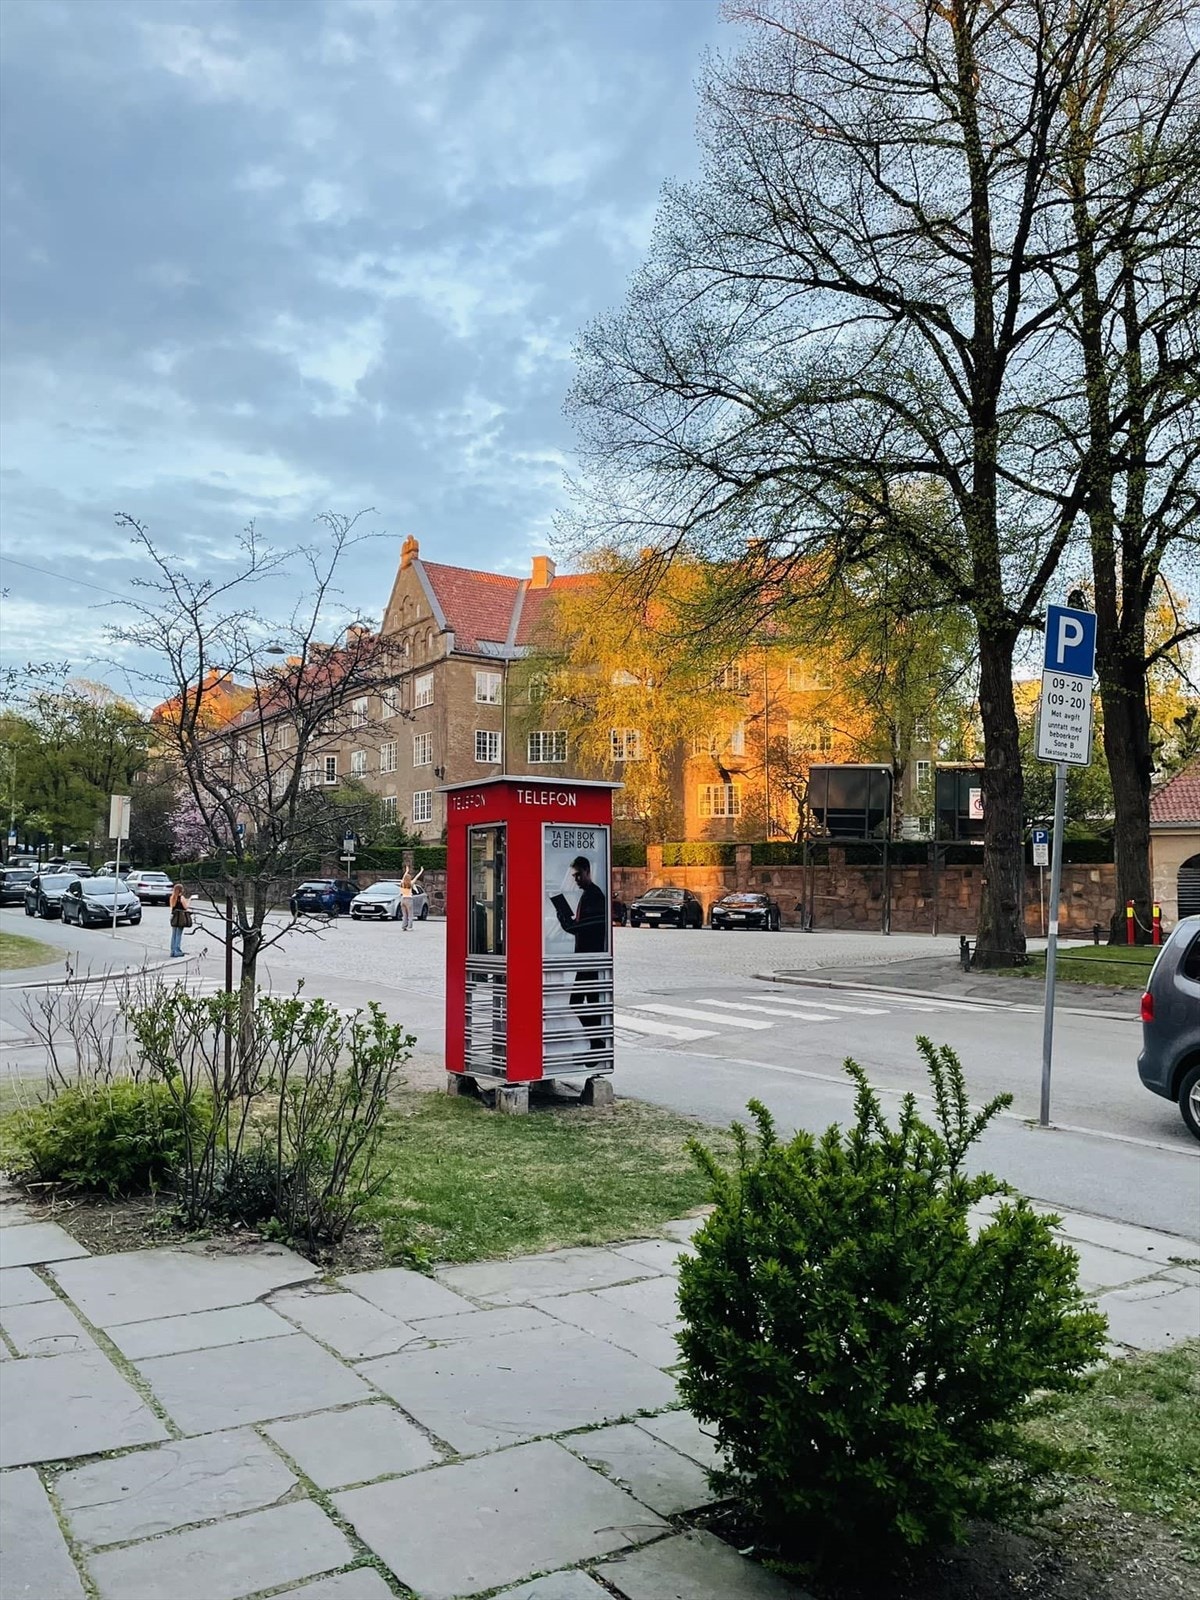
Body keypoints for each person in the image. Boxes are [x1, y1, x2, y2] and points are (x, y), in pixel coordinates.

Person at [549, 855, 608, 1048]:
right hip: (588, 957)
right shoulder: (591, 894)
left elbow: (579, 927)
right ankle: (595, 1043)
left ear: (587, 872)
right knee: (589, 1002)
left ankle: (596, 1042)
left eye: (578, 875)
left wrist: (561, 910)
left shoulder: (594, 895)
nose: (576, 879)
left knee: (579, 1001)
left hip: (590, 958)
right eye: (574, 876)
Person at [168, 882, 191, 957]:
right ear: (181, 890)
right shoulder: (181, 898)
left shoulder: (172, 897)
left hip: (174, 917)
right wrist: (190, 900)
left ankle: (172, 950)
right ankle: (177, 950)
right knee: (179, 934)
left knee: (174, 934)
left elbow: (172, 907)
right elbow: (186, 907)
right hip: (181, 918)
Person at [399, 866, 424, 931]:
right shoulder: (411, 883)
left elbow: (404, 877)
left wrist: (407, 871)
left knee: (404, 914)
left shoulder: (402, 883)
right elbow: (416, 877)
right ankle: (410, 927)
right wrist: (421, 871)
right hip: (409, 899)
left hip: (402, 899)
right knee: (410, 914)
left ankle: (403, 926)